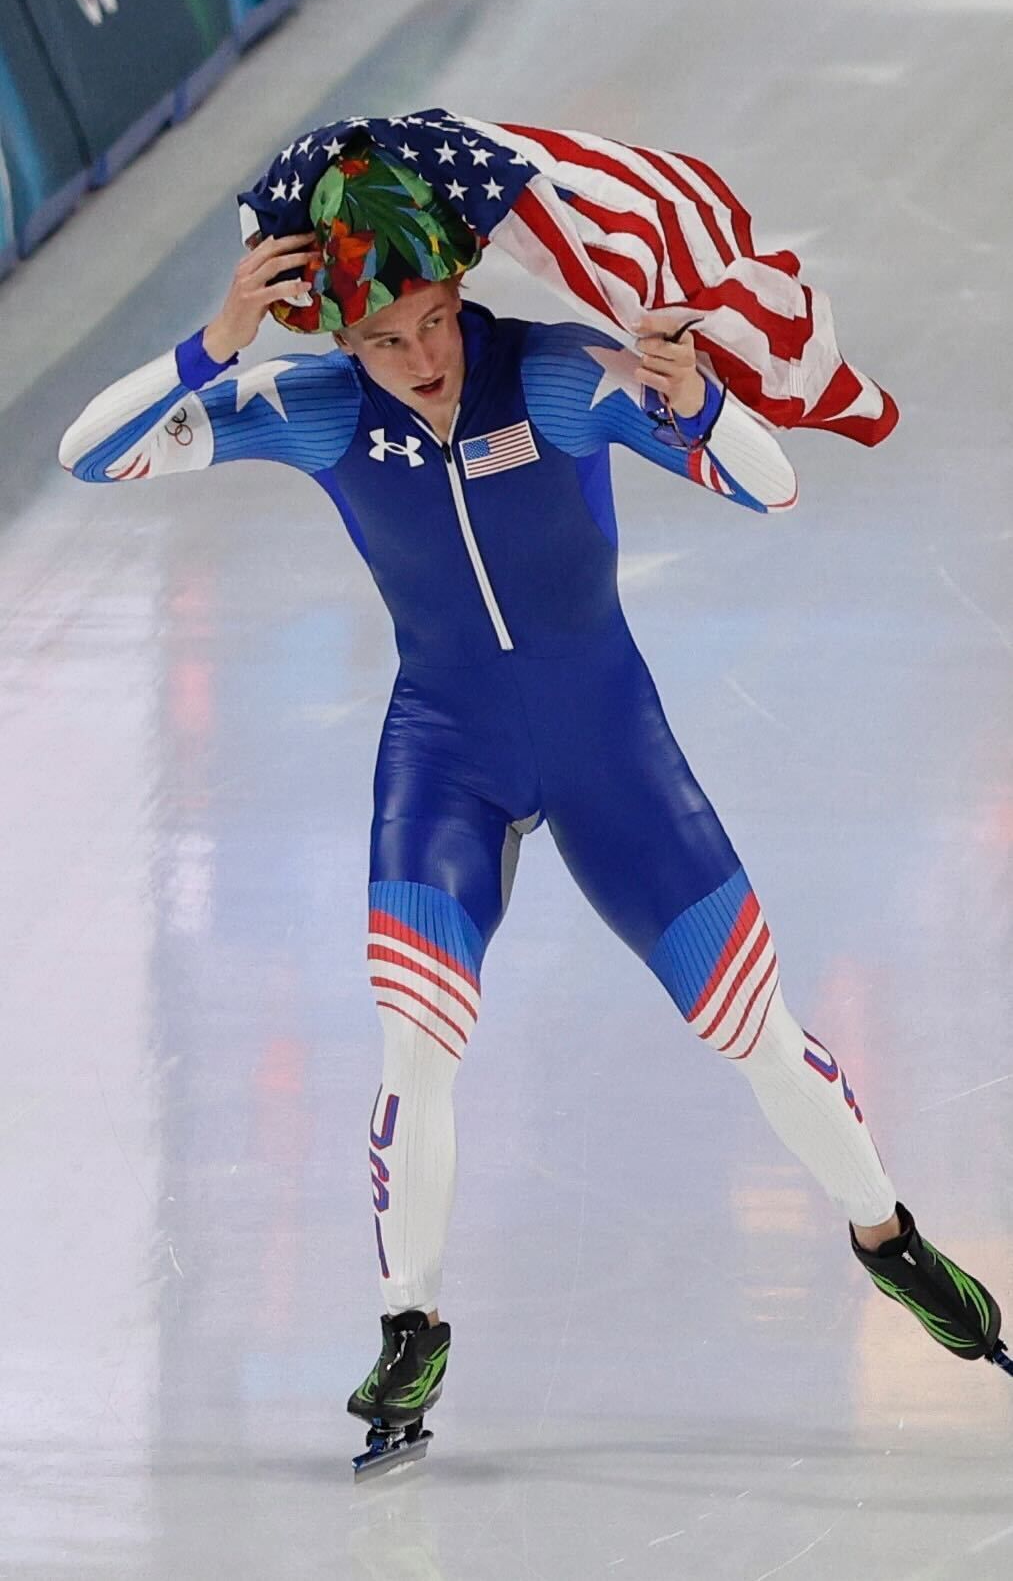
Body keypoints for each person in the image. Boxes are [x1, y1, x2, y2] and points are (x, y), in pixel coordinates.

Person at [59, 138, 1007, 1469]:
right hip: (445, 751)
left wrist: (690, 406)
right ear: (337, 334)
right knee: (413, 1042)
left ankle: (887, 1238)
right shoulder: (319, 408)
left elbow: (771, 483)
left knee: (755, 1032)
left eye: (438, 320)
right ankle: (410, 1323)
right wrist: (213, 341)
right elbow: (84, 457)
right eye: (386, 339)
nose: (425, 357)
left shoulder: (557, 376)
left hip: (607, 744)